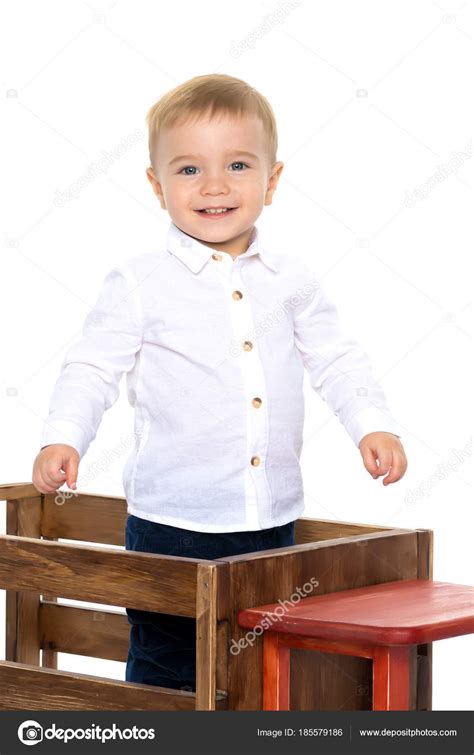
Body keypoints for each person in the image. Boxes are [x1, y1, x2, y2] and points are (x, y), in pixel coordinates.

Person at [32, 73, 407, 693]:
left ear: (273, 179)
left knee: (260, 659)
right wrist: (63, 438)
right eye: (187, 170)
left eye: (237, 164)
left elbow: (337, 358)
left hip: (269, 519)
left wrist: (374, 424)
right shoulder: (140, 281)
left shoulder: (291, 279)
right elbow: (92, 367)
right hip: (170, 520)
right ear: (156, 186)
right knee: (168, 661)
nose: (213, 186)